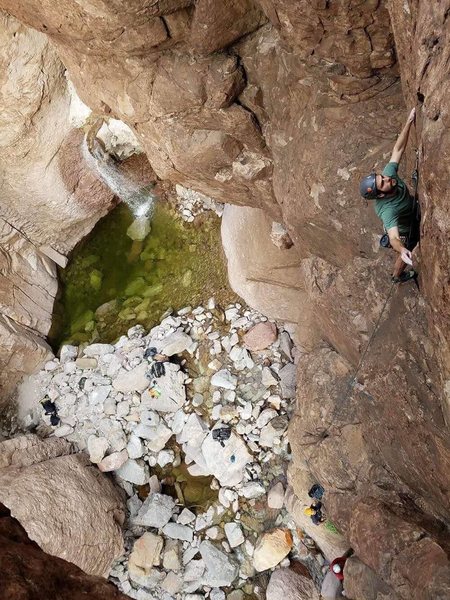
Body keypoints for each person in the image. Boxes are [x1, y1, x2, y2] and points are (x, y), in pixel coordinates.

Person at [359, 107, 419, 283]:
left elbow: (398, 149)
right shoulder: (388, 211)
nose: (387, 179)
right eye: (382, 183)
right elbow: (393, 238)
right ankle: (397, 276)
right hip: (406, 229)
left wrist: (409, 122)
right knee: (406, 251)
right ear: (381, 196)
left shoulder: (389, 175)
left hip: (410, 208)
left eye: (382, 177)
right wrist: (402, 250)